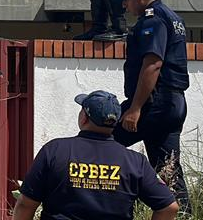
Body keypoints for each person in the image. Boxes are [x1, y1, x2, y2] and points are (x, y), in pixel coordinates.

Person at [13, 89, 179, 220]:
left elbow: (25, 205)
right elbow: (169, 208)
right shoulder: (135, 161)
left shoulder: (54, 150)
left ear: (84, 117)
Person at [112, 0, 191, 214]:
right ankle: (184, 214)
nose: (125, 6)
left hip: (153, 103)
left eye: (126, 0)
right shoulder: (172, 16)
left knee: (101, 141)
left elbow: (153, 65)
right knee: (168, 168)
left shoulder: (153, 19)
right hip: (173, 103)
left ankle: (103, 206)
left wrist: (135, 109)